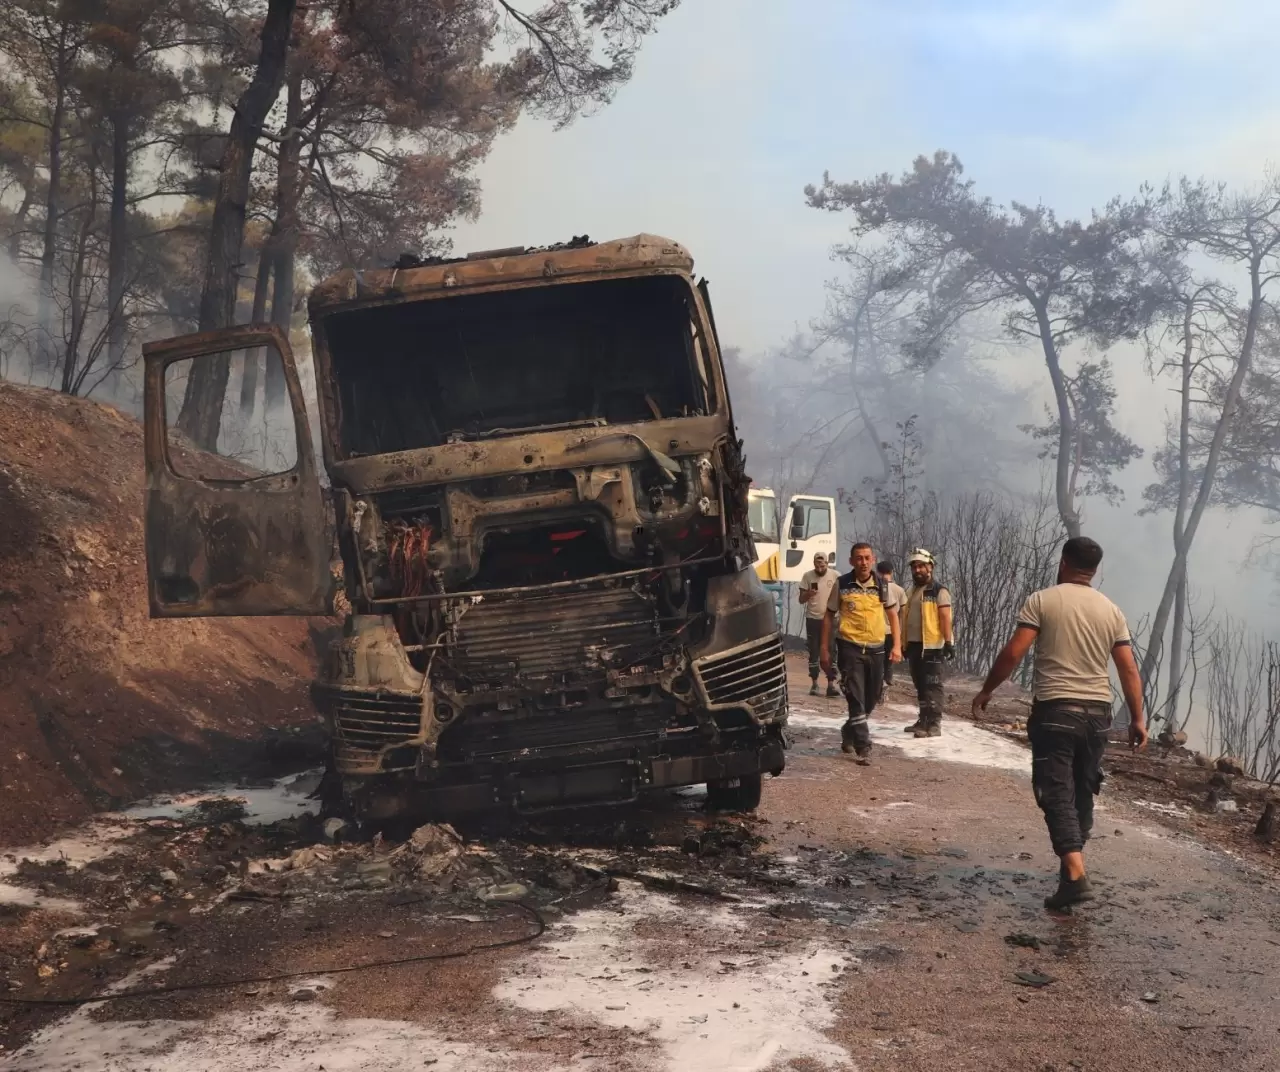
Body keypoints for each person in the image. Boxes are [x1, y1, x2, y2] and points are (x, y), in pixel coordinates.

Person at [972, 536, 1148, 910]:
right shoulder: (1111, 610)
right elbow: (1128, 668)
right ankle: (1070, 875)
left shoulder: (1043, 600)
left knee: (1054, 791)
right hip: (1098, 714)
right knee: (1081, 792)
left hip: (1056, 710)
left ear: (1063, 562)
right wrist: (1137, 718)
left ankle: (1076, 875)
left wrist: (987, 689)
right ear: (1094, 570)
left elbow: (1015, 651)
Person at [820, 542, 902, 764]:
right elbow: (828, 615)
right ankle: (863, 746)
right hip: (850, 647)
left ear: (873, 560)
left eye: (867, 558)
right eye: (859, 558)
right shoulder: (842, 584)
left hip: (876, 649)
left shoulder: (882, 585)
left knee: (872, 698)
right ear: (851, 561)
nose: (863, 562)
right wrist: (824, 649)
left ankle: (849, 730)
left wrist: (896, 646)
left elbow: (893, 616)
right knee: (855, 698)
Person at [899, 549, 955, 738]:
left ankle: (934, 723)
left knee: (933, 685)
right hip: (914, 645)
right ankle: (923, 719)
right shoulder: (911, 591)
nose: (917, 570)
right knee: (920, 685)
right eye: (914, 567)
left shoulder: (939, 591)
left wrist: (948, 642)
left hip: (932, 646)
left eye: (921, 566)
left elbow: (945, 617)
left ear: (930, 567)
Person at [799, 553, 840, 697]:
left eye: (822, 566)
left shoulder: (836, 576)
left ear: (827, 564)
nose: (819, 569)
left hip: (831, 618)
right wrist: (808, 594)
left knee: (831, 650)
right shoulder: (807, 576)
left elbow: (842, 596)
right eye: (817, 566)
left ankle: (831, 684)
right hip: (813, 618)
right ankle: (815, 684)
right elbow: (801, 600)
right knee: (814, 651)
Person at [876, 560, 907, 698]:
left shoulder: (874, 587)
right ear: (892, 572)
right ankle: (885, 685)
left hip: (875, 631)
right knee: (888, 663)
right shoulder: (899, 590)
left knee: (876, 661)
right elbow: (904, 612)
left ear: (878, 572)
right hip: (892, 632)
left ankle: (876, 688)